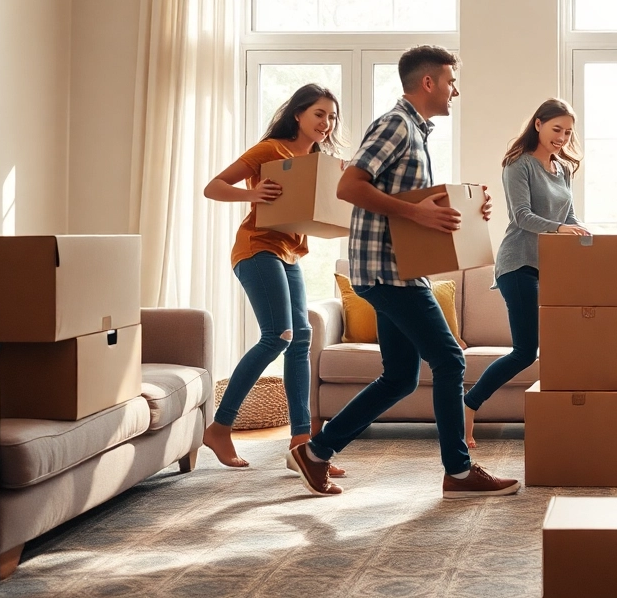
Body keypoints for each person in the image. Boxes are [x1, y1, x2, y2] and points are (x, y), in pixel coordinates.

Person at [286, 45, 521, 499]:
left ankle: (316, 452)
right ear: (428, 82)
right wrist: (417, 216)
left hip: (398, 272)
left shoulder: (416, 131)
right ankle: (458, 471)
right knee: (450, 358)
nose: (456, 89)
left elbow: (413, 204)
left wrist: (468, 209)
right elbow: (350, 185)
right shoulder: (395, 124)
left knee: (400, 377)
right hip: (386, 273)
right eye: (452, 81)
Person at [201, 83, 346, 479]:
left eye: (332, 117)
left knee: (300, 340)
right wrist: (254, 195)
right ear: (298, 114)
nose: (326, 123)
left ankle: (302, 444)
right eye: (319, 114)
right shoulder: (271, 150)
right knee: (277, 336)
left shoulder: (319, 160)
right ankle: (220, 427)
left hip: (289, 253)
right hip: (256, 248)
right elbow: (213, 187)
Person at [463, 99, 589, 448]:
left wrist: (585, 233)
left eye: (567, 132)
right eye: (556, 129)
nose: (562, 137)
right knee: (524, 351)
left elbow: (570, 216)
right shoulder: (518, 165)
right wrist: (562, 230)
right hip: (518, 264)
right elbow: (521, 216)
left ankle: (566, 417)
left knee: (561, 345)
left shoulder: (561, 168)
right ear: (538, 124)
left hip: (551, 267)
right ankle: (468, 407)